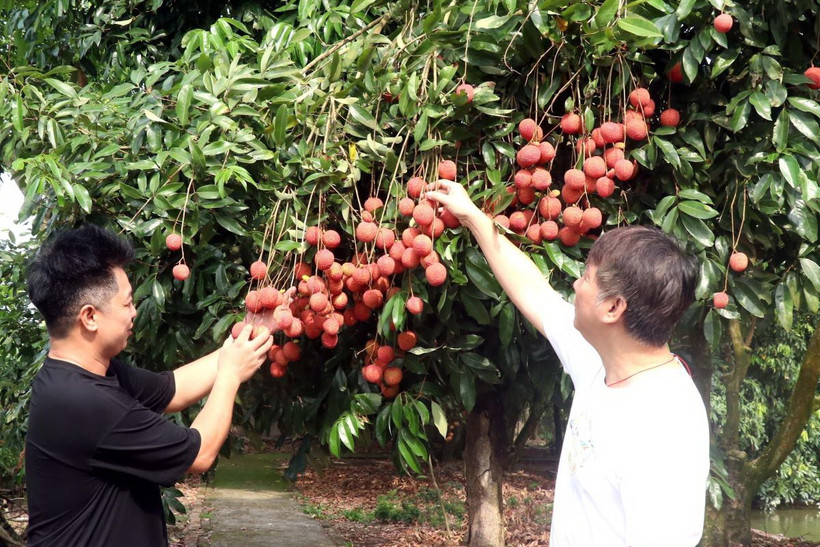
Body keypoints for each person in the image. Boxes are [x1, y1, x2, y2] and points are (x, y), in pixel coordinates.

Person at [426, 180, 710, 546]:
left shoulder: (665, 421)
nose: (575, 286)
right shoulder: (601, 360)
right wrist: (475, 219)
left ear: (613, 308)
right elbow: (534, 291)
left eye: (586, 279)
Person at [24, 224, 274, 546]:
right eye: (127, 303)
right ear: (89, 317)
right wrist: (230, 376)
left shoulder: (88, 373)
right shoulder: (84, 402)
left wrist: (249, 334)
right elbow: (199, 454)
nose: (135, 312)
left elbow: (174, 388)